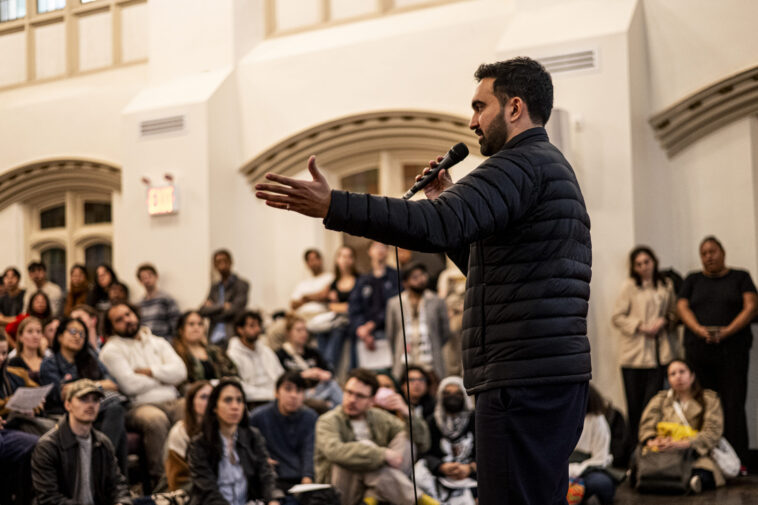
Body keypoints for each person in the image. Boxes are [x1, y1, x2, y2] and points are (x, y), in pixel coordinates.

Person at [255, 57, 592, 504]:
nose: (472, 121)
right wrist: (450, 201)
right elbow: (494, 273)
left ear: (514, 108)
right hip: (545, 375)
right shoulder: (549, 166)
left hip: (521, 380)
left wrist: (333, 205)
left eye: (479, 106)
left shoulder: (519, 165)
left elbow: (430, 224)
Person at [677, 236, 756, 468]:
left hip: (733, 352)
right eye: (704, 253)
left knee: (733, 404)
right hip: (699, 352)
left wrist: (727, 331)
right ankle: (706, 457)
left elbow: (751, 306)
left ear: (723, 252)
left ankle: (738, 461)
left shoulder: (740, 277)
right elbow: (681, 307)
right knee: (703, 404)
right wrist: (699, 330)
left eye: (712, 251)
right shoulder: (692, 279)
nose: (708, 256)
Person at [314, 368, 434, 505]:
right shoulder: (328, 420)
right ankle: (419, 500)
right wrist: (381, 454)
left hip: (376, 485)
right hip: (341, 490)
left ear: (371, 400)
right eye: (349, 392)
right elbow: (334, 451)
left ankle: (371, 497)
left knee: (406, 439)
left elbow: (424, 443)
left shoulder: (378, 417)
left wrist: (406, 412)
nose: (352, 400)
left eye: (360, 396)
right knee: (358, 453)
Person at [98, 302, 187, 485]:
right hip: (138, 406)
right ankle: (162, 484)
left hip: (172, 400)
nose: (127, 320)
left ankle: (193, 476)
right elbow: (129, 385)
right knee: (156, 420)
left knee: (193, 410)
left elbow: (181, 372)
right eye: (119, 320)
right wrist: (164, 377)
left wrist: (150, 371)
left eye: (128, 314)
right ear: (112, 327)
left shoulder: (158, 342)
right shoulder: (111, 350)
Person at [39, 316, 128, 473]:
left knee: (115, 409)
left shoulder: (90, 359)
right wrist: (97, 385)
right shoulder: (50, 363)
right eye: (73, 331)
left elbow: (112, 385)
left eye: (82, 334)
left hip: (98, 409)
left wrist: (83, 386)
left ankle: (104, 471)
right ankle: (109, 475)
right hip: (66, 412)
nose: (77, 336)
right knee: (116, 411)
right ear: (59, 336)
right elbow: (62, 393)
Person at [611, 246, 679, 441]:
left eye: (646, 262)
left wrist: (664, 321)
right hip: (634, 356)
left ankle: (652, 447)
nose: (643, 267)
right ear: (634, 267)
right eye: (638, 264)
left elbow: (674, 313)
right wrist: (641, 326)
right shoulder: (630, 286)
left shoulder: (666, 285)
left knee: (654, 405)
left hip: (659, 355)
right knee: (635, 406)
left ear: (654, 261)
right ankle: (635, 450)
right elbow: (617, 317)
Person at [31, 378, 132, 505]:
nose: (90, 405)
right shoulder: (48, 446)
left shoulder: (102, 442)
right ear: (68, 405)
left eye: (95, 400)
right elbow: (49, 499)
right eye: (83, 399)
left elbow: (118, 485)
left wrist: (121, 502)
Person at [187, 378, 283, 505]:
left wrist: (272, 500)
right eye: (228, 400)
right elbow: (208, 491)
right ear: (214, 407)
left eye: (239, 400)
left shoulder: (253, 436)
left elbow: (266, 475)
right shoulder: (199, 444)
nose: (235, 406)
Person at [638, 359, 725, 491]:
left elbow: (712, 432)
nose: (678, 376)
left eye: (682, 372)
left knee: (704, 472)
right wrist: (653, 442)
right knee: (643, 462)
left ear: (692, 375)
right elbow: (646, 427)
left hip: (694, 453)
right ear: (668, 379)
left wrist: (684, 443)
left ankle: (690, 481)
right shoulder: (660, 400)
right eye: (672, 374)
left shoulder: (709, 399)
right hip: (662, 451)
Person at [250, 370, 318, 493]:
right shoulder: (258, 417)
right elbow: (247, 447)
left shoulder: (310, 417)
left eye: (299, 391)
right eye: (288, 389)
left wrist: (307, 477)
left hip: (301, 480)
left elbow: (309, 450)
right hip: (270, 479)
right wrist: (260, 460)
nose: (294, 395)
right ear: (276, 393)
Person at [416, 376, 477, 505]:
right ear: (440, 396)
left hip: (472, 474)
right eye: (447, 393)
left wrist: (470, 468)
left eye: (457, 393)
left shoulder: (475, 419)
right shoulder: (432, 421)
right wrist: (441, 466)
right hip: (442, 475)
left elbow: (488, 453)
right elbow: (425, 452)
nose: (452, 397)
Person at [386, 262, 450, 380]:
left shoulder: (437, 301)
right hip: (404, 361)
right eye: (415, 277)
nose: (421, 280)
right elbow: (391, 334)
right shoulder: (395, 303)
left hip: (430, 361)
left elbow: (445, 332)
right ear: (405, 283)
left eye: (422, 275)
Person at [348, 241, 400, 367]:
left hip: (389, 332)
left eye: (384, 246)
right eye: (376, 246)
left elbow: (395, 305)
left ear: (388, 251)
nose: (380, 250)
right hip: (364, 335)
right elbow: (354, 307)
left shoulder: (396, 277)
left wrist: (373, 324)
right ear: (369, 252)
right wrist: (361, 328)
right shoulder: (363, 281)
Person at [276, 314, 342, 411]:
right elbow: (280, 378)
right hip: (298, 391)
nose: (303, 334)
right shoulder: (281, 354)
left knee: (332, 385)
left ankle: (344, 411)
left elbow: (329, 372)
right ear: (289, 333)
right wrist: (304, 374)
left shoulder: (313, 352)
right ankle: (332, 407)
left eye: (305, 330)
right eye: (299, 330)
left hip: (319, 389)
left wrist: (319, 373)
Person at [568, 385, 615, 505]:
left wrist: (576, 471)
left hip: (587, 470)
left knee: (601, 483)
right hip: (562, 470)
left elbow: (600, 458)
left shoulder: (597, 420)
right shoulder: (562, 417)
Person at [227, 310, 284, 406]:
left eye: (258, 325)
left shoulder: (266, 351)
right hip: (253, 401)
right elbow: (239, 387)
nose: (257, 329)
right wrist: (270, 395)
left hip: (277, 397)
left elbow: (281, 375)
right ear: (240, 330)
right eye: (252, 326)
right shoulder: (232, 355)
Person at [165, 380, 212, 492]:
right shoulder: (180, 431)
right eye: (203, 397)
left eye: (212, 397)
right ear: (192, 402)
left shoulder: (223, 428)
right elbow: (178, 479)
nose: (209, 402)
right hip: (189, 489)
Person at [199, 249, 250, 346]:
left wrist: (213, 308)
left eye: (224, 260)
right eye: (218, 262)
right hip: (213, 337)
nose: (221, 264)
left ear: (231, 262)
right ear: (214, 265)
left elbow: (235, 310)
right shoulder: (214, 287)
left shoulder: (241, 284)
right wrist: (222, 306)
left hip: (231, 336)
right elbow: (203, 310)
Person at [173, 310, 238, 385]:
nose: (196, 327)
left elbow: (233, 373)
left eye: (200, 324)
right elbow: (179, 383)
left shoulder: (215, 350)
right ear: (181, 330)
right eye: (191, 324)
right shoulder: (175, 353)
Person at [325, 245, 359, 373]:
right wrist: (343, 306)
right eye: (342, 256)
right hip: (337, 319)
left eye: (349, 256)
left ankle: (331, 366)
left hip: (352, 319)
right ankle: (325, 365)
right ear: (337, 259)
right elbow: (331, 306)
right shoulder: (334, 282)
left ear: (353, 260)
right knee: (324, 331)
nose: (345, 260)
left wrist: (342, 306)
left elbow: (355, 306)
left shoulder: (359, 280)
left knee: (341, 327)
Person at [136, 263, 181, 340]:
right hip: (146, 342)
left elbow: (176, 323)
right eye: (143, 278)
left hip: (165, 341)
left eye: (149, 276)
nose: (147, 280)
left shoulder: (166, 299)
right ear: (140, 281)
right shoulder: (139, 304)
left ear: (156, 277)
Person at [290, 248, 334, 322]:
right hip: (300, 316)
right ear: (307, 264)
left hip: (319, 314)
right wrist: (314, 297)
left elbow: (324, 296)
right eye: (310, 260)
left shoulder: (330, 277)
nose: (313, 263)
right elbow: (293, 304)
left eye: (315, 259)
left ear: (320, 260)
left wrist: (305, 298)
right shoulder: (302, 283)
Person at [8, 316, 46, 382]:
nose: (35, 335)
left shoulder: (48, 361)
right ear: (20, 337)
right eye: (30, 331)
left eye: (38, 331)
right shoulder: (14, 363)